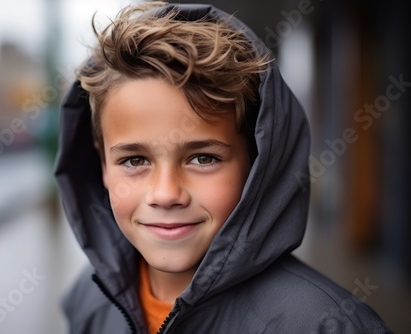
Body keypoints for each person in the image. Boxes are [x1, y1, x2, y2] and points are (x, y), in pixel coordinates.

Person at [54, 2, 392, 333]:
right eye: (134, 160)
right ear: (102, 164)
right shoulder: (89, 300)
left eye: (203, 158)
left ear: (257, 162)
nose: (166, 194)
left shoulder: (326, 324)